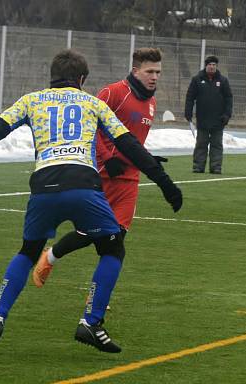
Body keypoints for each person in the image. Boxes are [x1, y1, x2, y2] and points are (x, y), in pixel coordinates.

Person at [0, 49, 183, 354]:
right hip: (83, 185)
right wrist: (165, 182)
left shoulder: (32, 100)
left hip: (44, 187)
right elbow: (128, 144)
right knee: (112, 247)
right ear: (82, 79)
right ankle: (91, 322)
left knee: (27, 252)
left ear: (51, 77)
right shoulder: (92, 103)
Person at [32, 47, 167, 287]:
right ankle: (50, 256)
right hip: (101, 177)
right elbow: (90, 126)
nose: (154, 77)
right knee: (90, 233)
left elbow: (132, 140)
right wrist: (107, 158)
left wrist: (147, 159)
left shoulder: (152, 103)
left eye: (158, 72)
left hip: (129, 182)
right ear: (136, 71)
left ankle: (96, 303)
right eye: (149, 71)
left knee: (115, 243)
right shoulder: (113, 93)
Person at [185, 55, 233, 174]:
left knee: (216, 144)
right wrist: (188, 112)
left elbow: (229, 98)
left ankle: (216, 167)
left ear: (216, 66)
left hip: (219, 120)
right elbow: (190, 97)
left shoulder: (223, 81)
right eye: (210, 65)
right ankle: (198, 166)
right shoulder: (197, 79)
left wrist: (227, 115)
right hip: (202, 119)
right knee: (201, 143)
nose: (212, 67)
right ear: (206, 66)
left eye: (214, 65)